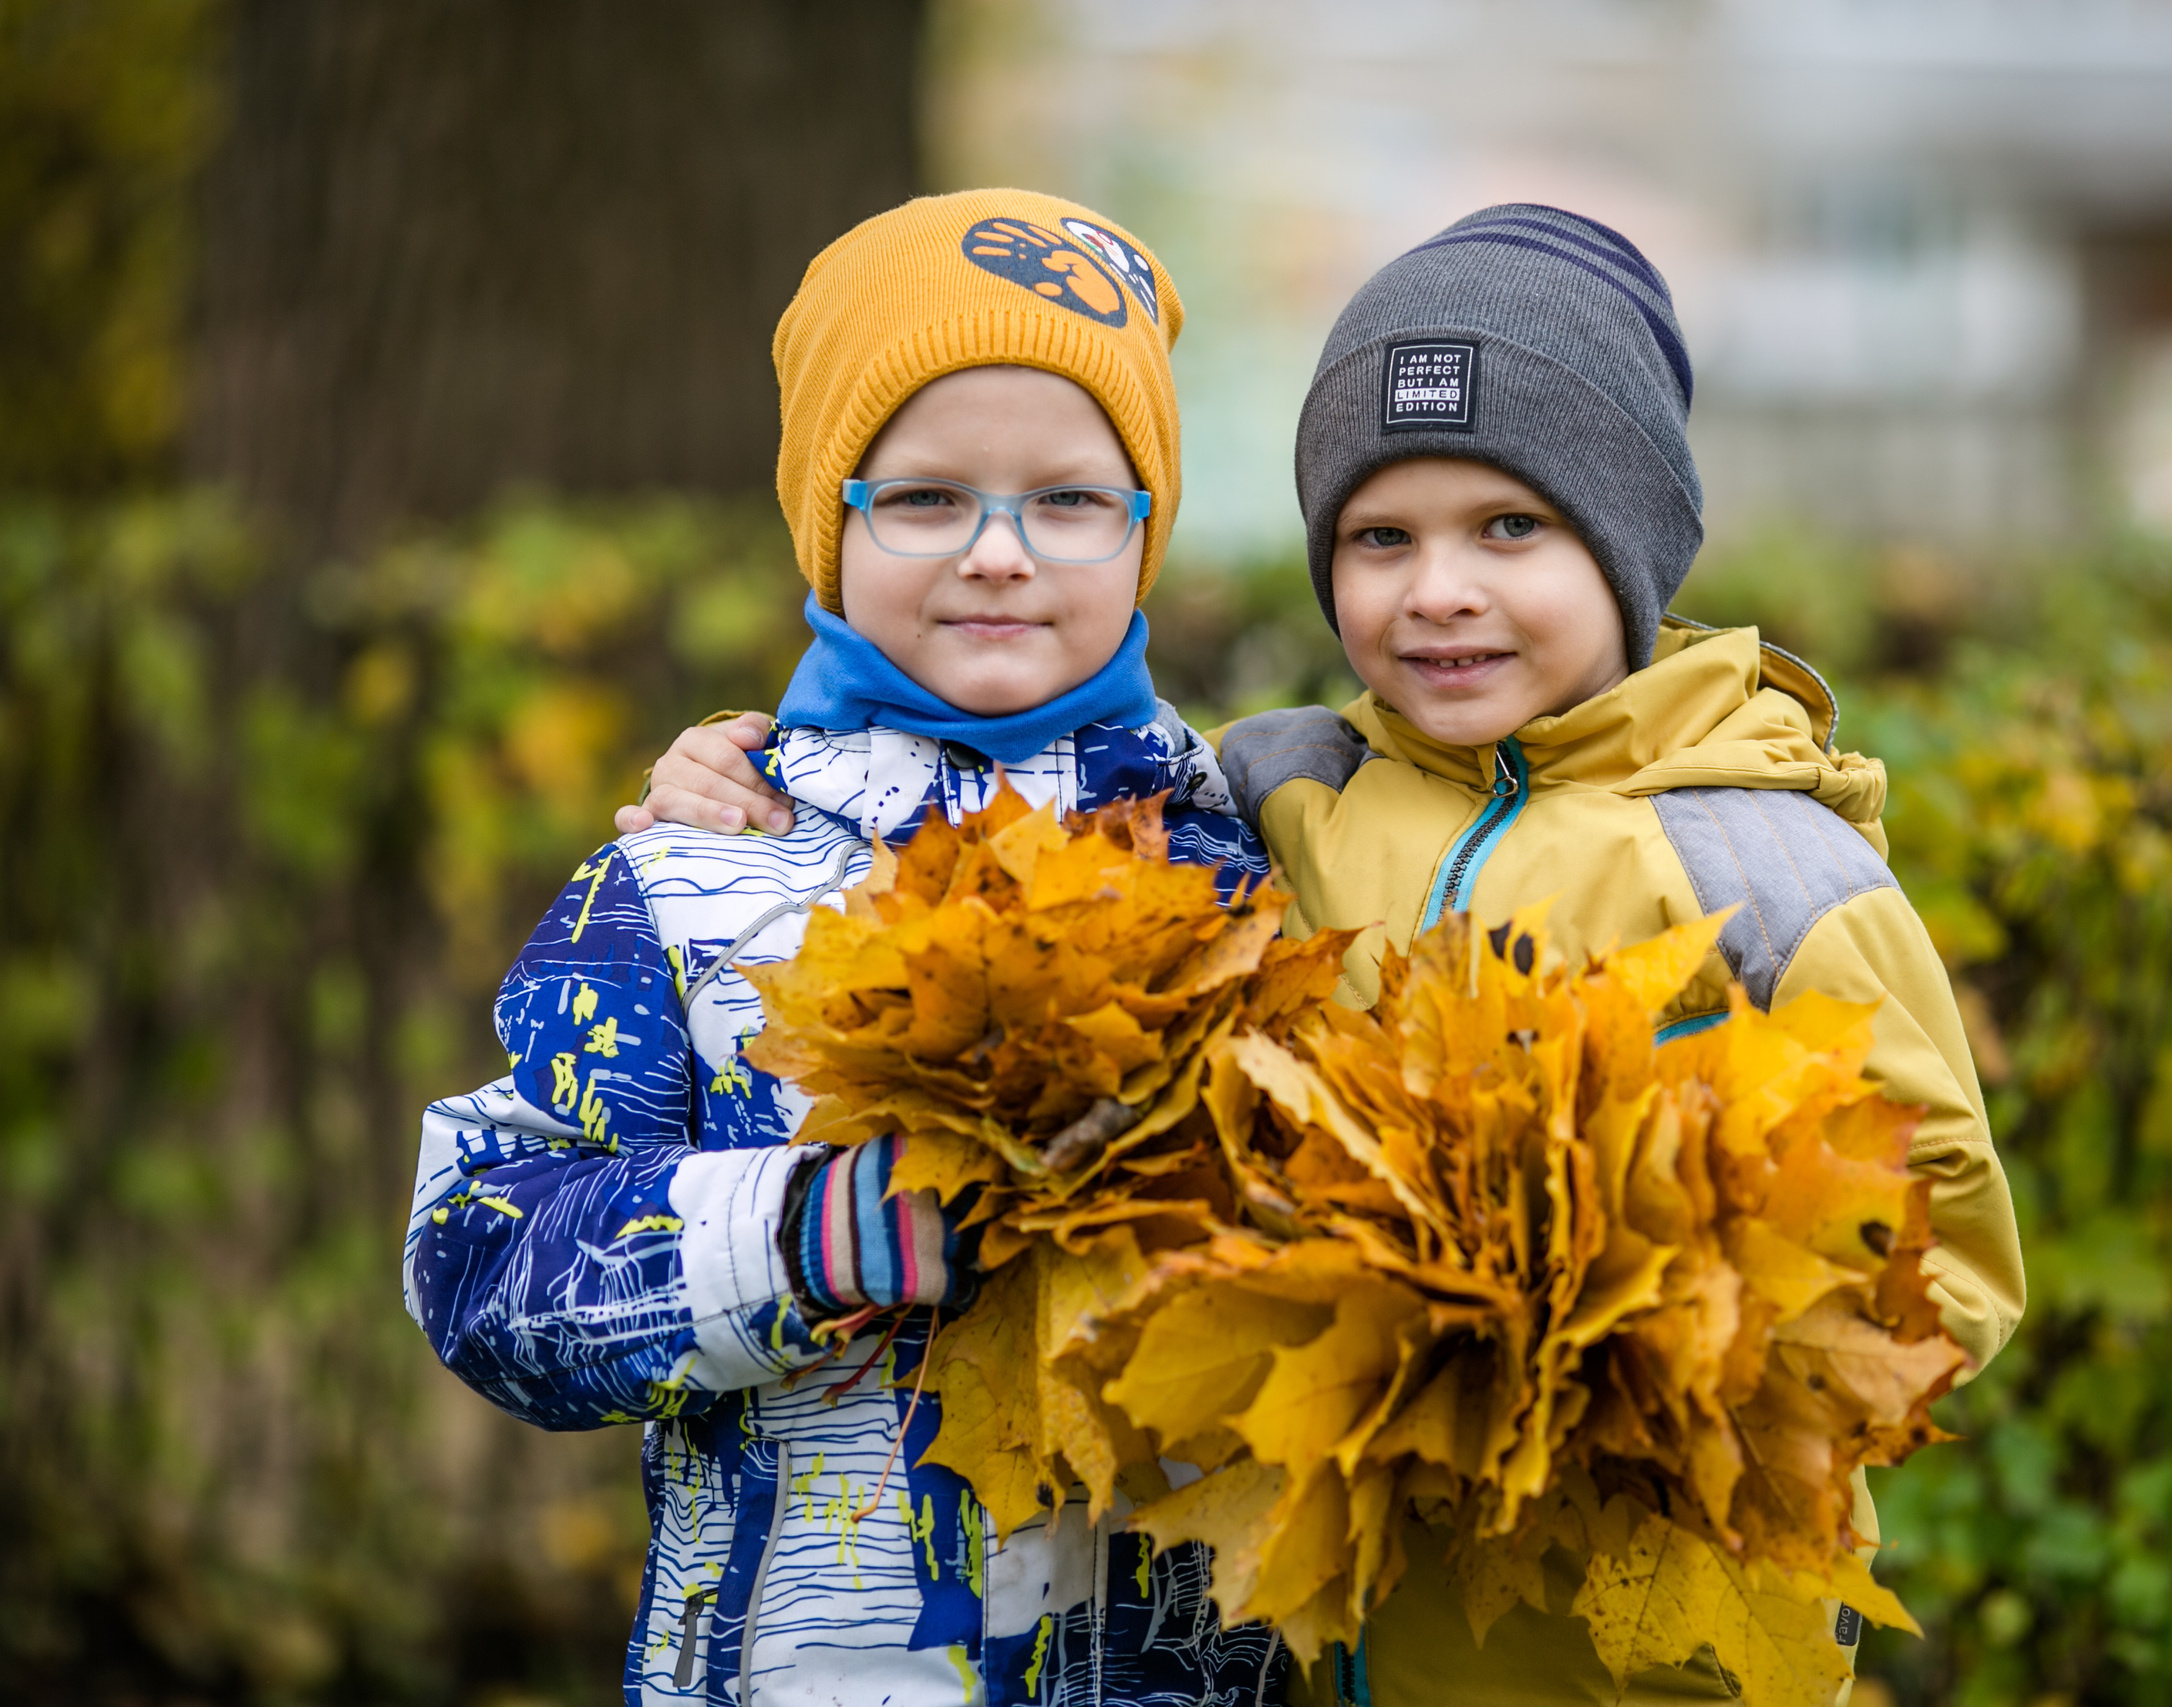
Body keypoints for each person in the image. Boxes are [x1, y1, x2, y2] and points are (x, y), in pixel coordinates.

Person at [630, 204, 2027, 1707]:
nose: (1439, 589)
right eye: (1381, 538)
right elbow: (1023, 814)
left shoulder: (1768, 868)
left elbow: (1936, 1249)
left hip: (1631, 1642)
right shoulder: (1274, 793)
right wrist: (732, 769)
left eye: (1513, 528)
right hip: (1329, 1626)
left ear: (1631, 547)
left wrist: (1644, 1346)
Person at [407, 189, 1284, 1707]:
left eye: (1071, 500)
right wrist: (807, 1236)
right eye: (927, 498)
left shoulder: (1254, 868)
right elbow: (478, 1258)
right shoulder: (692, 876)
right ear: (832, 520)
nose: (1000, 555)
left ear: (1148, 532)